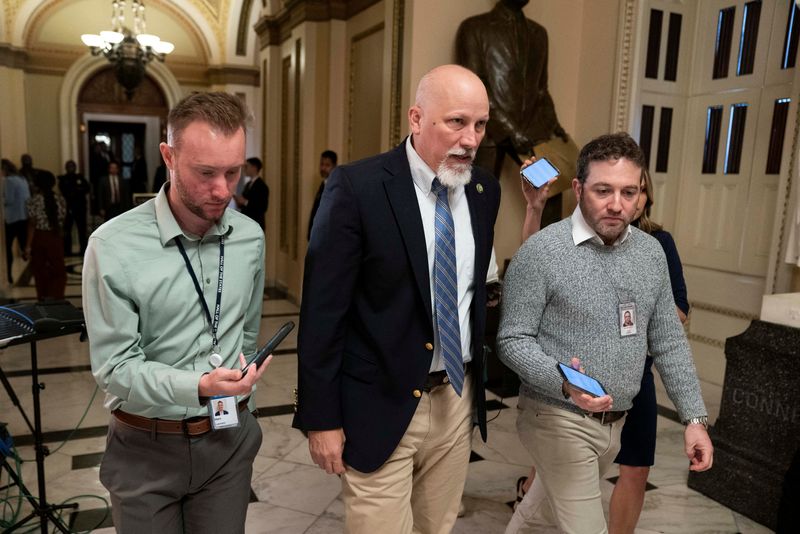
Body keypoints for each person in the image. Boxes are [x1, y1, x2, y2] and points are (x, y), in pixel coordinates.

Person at [293, 64, 500, 533]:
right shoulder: (357, 188)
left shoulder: (484, 190)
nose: (470, 139)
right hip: (378, 402)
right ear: (416, 118)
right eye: (457, 122)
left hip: (455, 400)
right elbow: (324, 315)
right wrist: (321, 418)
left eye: (481, 125)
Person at [498, 132, 713, 534]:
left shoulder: (651, 254)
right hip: (554, 416)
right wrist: (563, 382)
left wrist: (694, 418)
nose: (617, 204)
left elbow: (668, 341)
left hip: (615, 422)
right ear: (578, 189)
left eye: (629, 192)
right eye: (603, 190)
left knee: (536, 516)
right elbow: (512, 340)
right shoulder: (542, 251)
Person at [83, 92, 271, 534]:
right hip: (145, 447)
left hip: (228, 442)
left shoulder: (249, 238)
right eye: (206, 173)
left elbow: (246, 334)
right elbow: (114, 369)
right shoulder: (113, 246)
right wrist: (199, 386)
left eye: (233, 171)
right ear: (169, 156)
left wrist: (239, 399)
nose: (224, 190)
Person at [607, 168, 689, 534]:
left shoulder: (660, 242)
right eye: (621, 190)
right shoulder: (588, 235)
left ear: (646, 196)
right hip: (585, 366)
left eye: (637, 191)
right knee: (561, 464)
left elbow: (679, 310)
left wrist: (641, 309)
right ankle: (529, 491)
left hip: (637, 371)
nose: (631, 199)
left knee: (637, 466)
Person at [23, 171, 67, 299]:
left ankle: (43, 298)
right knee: (58, 270)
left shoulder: (32, 201)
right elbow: (62, 220)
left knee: (40, 270)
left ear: (37, 184)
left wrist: (27, 247)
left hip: (39, 237)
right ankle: (57, 297)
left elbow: (32, 224)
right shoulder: (60, 199)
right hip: (55, 236)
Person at [1, 159, 30, 284]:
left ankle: (8, 275)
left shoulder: (9, 181)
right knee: (24, 244)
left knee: (7, 248)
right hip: (23, 217)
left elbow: (9, 199)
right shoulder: (22, 179)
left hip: (12, 218)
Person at [58, 160, 91, 256]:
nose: (71, 168)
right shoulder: (63, 179)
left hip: (80, 208)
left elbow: (87, 188)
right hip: (69, 208)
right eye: (69, 166)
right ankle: (67, 251)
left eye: (72, 166)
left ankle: (83, 250)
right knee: (67, 230)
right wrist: (77, 190)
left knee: (82, 230)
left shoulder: (80, 177)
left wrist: (76, 190)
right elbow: (65, 191)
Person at [307, 150, 337, 240]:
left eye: (327, 165)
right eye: (321, 164)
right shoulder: (323, 184)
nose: (323, 168)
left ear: (334, 166)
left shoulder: (336, 187)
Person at [234, 157, 268, 230]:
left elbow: (262, 207)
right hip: (246, 223)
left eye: (246, 166)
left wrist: (245, 202)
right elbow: (244, 204)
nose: (244, 169)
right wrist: (238, 201)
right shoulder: (248, 184)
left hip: (256, 224)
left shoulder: (262, 186)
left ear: (254, 168)